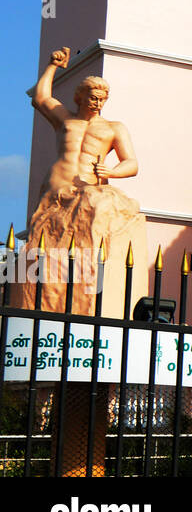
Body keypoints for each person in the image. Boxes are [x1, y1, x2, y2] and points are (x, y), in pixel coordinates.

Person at [19, 47, 147, 316]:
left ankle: (82, 300)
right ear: (80, 97)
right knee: (42, 251)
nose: (97, 103)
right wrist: (53, 66)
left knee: (84, 250)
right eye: (92, 97)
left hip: (88, 190)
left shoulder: (114, 128)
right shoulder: (65, 119)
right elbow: (40, 98)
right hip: (54, 188)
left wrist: (111, 173)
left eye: (102, 99)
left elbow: (132, 164)